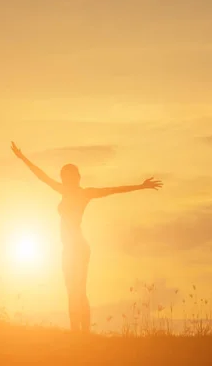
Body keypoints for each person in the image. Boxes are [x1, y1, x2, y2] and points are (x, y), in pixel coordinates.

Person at [10, 142, 163, 333]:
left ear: (76, 178)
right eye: (64, 176)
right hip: (69, 248)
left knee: (79, 290)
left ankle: (84, 332)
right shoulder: (65, 191)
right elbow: (42, 176)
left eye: (68, 176)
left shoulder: (84, 193)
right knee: (72, 290)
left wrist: (141, 186)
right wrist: (22, 158)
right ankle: (77, 332)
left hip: (78, 248)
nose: (65, 179)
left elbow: (113, 190)